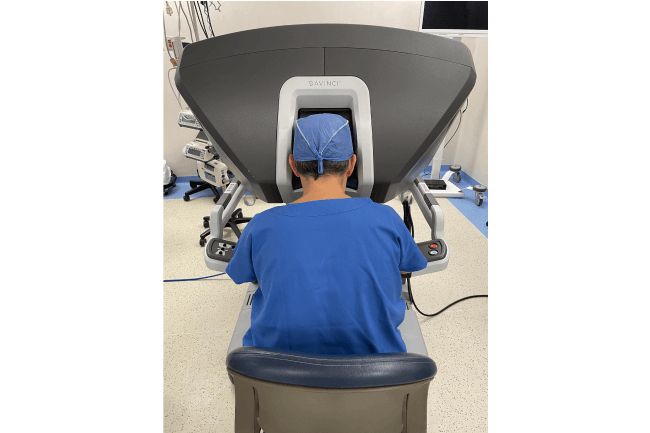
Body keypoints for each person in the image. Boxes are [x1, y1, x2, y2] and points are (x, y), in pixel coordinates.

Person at [226, 114, 428, 355]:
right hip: (374, 368)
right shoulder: (386, 219)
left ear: (293, 165)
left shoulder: (261, 226)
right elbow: (406, 269)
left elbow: (248, 276)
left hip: (276, 367)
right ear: (351, 164)